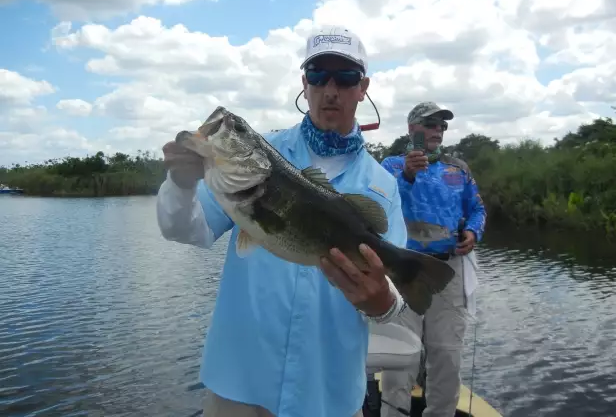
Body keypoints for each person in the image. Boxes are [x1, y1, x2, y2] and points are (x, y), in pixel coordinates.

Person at [156, 27, 411, 417]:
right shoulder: (258, 158)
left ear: (363, 88)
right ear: (303, 84)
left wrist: (382, 302)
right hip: (239, 383)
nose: (330, 90)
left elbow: (391, 296)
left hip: (329, 395)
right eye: (317, 75)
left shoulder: (383, 185)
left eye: (344, 78)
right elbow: (185, 229)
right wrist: (181, 182)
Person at [379, 102, 487, 417]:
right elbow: (380, 208)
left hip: (448, 270)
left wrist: (473, 232)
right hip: (404, 269)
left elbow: (477, 209)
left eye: (442, 125)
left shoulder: (459, 168)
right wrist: (408, 177)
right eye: (430, 123)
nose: (438, 130)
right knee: (401, 356)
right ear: (412, 129)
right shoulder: (391, 166)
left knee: (447, 355)